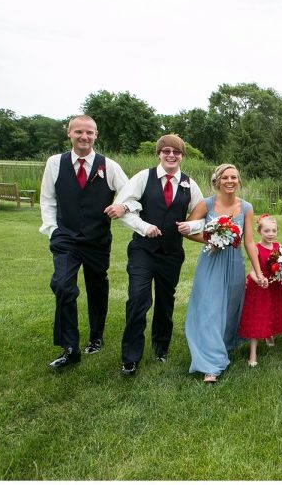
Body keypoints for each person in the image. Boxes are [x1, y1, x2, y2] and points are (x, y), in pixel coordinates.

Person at [40, 114, 135, 369]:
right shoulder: (55, 163)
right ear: (69, 133)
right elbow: (47, 199)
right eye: (79, 132)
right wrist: (52, 230)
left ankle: (96, 336)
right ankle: (70, 347)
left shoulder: (109, 166)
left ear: (96, 135)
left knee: (96, 288)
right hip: (65, 238)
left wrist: (123, 206)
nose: (84, 137)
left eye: (89, 133)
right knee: (62, 286)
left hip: (97, 240)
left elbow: (131, 195)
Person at [115, 134, 204, 376]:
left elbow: (201, 217)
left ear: (182, 156)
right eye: (166, 151)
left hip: (172, 253)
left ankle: (161, 347)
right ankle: (130, 358)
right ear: (159, 154)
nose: (171, 155)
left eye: (176, 152)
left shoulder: (189, 184)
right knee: (138, 299)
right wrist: (144, 227)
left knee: (166, 302)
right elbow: (123, 208)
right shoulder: (143, 178)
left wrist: (191, 226)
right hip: (143, 250)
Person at [180, 164, 266, 382]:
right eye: (225, 177)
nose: (230, 181)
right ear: (217, 181)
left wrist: (258, 272)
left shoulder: (246, 207)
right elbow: (187, 230)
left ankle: (222, 345)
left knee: (228, 308)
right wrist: (211, 239)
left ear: (239, 181)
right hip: (211, 261)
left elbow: (248, 241)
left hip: (234, 264)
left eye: (234, 177)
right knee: (210, 308)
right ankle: (211, 364)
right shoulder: (206, 204)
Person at [238, 215, 282, 368]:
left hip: (275, 287)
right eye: (267, 231)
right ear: (259, 231)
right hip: (260, 288)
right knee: (258, 318)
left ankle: (269, 335)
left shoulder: (278, 247)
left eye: (273, 231)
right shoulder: (255, 248)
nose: (270, 234)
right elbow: (253, 271)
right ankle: (253, 353)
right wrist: (259, 280)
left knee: (272, 313)